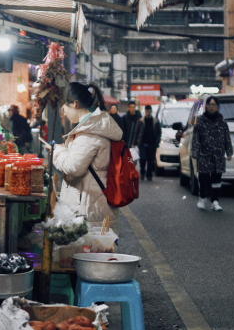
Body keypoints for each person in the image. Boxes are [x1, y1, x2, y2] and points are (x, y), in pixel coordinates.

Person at [50, 82, 124, 225]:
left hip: (89, 207)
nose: (63, 112)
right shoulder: (92, 128)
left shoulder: (89, 133)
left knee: (89, 246)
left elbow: (74, 167)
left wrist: (57, 151)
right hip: (92, 202)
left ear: (75, 104)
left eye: (64, 107)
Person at [191, 95, 233, 211]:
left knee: (217, 179)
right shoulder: (200, 122)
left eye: (214, 105)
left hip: (218, 155)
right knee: (203, 178)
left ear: (217, 106)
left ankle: (215, 201)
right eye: (210, 104)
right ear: (206, 106)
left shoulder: (222, 122)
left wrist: (229, 152)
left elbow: (227, 138)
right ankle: (202, 197)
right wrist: (195, 152)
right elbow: (196, 139)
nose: (212, 107)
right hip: (204, 155)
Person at [138, 104, 162, 181]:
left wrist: (156, 142)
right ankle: (142, 172)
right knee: (142, 159)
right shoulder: (141, 121)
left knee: (151, 160)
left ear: (151, 111)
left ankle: (149, 175)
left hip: (152, 144)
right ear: (145, 111)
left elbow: (159, 133)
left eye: (149, 111)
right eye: (146, 111)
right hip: (143, 144)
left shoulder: (155, 122)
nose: (147, 113)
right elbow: (136, 132)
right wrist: (135, 142)